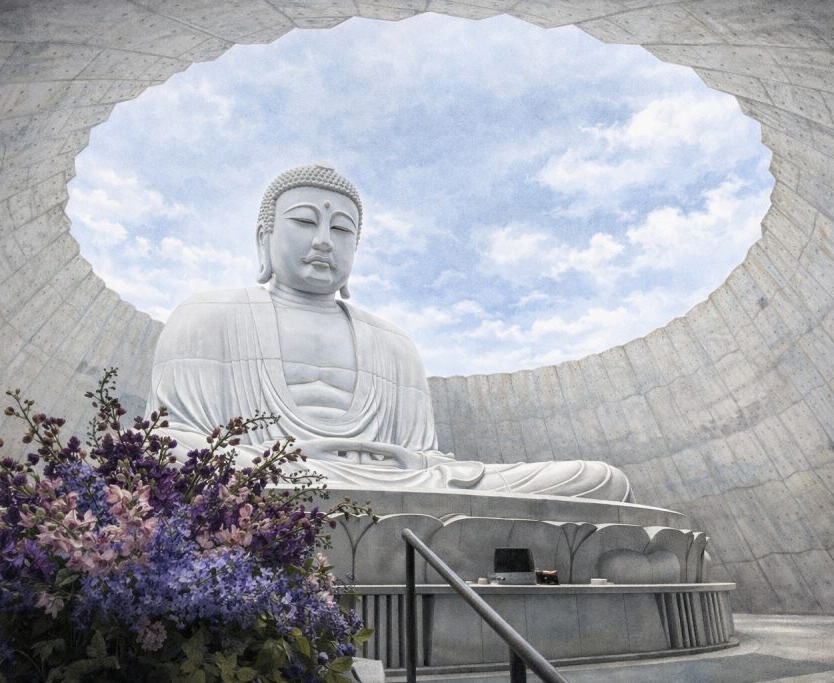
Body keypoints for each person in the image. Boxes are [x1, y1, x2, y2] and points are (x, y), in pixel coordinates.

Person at [147, 164, 634, 502]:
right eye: (303, 221)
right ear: (264, 236)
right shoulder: (207, 315)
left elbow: (426, 462)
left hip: (401, 484)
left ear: (356, 247)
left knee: (596, 479)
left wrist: (406, 473)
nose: (323, 240)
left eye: (342, 231)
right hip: (270, 479)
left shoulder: (393, 342)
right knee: (163, 461)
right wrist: (283, 465)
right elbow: (169, 443)